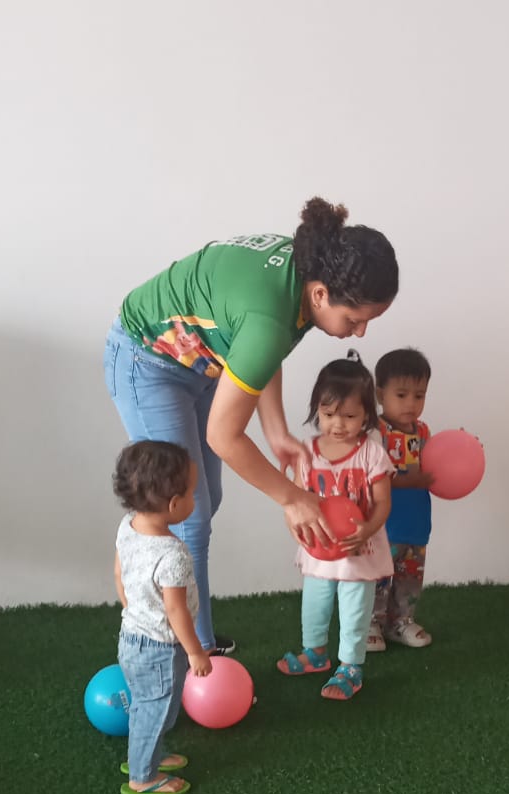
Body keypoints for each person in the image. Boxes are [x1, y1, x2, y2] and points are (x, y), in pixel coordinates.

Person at [104, 198, 398, 654]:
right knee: (186, 512)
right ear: (322, 295)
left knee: (204, 502)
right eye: (355, 319)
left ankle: (188, 633)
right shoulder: (271, 316)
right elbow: (224, 433)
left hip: (199, 363)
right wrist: (293, 498)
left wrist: (276, 431)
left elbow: (262, 353)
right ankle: (189, 650)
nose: (360, 333)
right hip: (147, 359)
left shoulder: (304, 275)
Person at [275, 352, 394, 701]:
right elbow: (296, 497)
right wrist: (294, 527)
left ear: (367, 414)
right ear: (317, 409)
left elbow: (383, 502)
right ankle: (315, 653)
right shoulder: (307, 452)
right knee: (314, 603)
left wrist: (367, 530)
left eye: (349, 416)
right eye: (328, 415)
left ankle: (351, 667)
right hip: (318, 550)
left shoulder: (372, 453)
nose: (337, 424)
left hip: (358, 551)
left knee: (355, 611)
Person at [113, 440, 211, 794]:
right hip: (159, 648)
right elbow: (176, 611)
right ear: (173, 505)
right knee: (156, 711)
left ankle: (148, 754)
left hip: (130, 637)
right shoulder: (173, 554)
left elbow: (119, 572)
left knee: (148, 705)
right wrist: (196, 652)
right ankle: (143, 777)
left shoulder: (128, 525)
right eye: (192, 494)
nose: (194, 500)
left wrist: (132, 609)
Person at [369, 347, 435, 651]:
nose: (411, 403)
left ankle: (401, 622)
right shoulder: (375, 432)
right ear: (380, 394)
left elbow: (440, 465)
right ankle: (369, 623)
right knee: (378, 576)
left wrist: (463, 452)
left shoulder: (423, 432)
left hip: (416, 522)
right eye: (402, 394)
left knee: (410, 576)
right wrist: (411, 480)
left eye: (419, 396)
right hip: (384, 524)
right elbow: (374, 476)